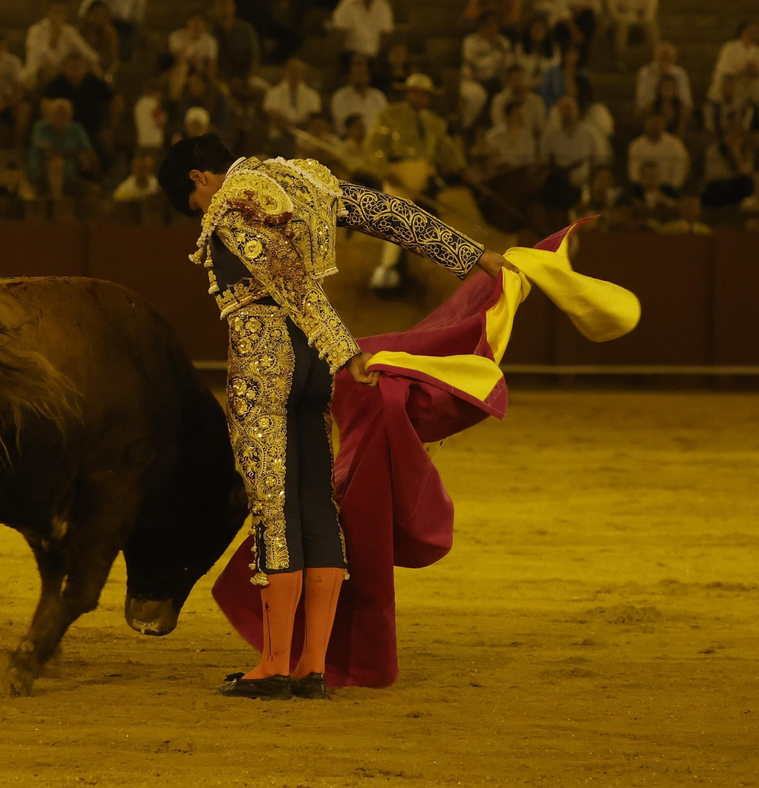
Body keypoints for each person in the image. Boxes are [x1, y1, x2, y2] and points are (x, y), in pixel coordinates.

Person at [155, 134, 507, 700]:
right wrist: (471, 254)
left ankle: (274, 663)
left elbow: (288, 279)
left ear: (199, 178)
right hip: (314, 368)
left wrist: (345, 347)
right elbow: (387, 213)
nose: (202, 213)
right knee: (316, 498)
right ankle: (311, 665)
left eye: (193, 204)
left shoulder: (231, 205)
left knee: (276, 504)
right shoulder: (304, 179)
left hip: (268, 360)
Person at [363, 73, 468, 289]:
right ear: (408, 94)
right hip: (398, 173)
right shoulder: (389, 115)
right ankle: (387, 268)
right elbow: (375, 146)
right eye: (415, 93)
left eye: (424, 95)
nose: (420, 98)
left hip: (426, 176)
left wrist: (461, 168)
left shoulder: (436, 122)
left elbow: (445, 150)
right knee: (396, 214)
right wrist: (384, 171)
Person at [43, 53, 119, 151]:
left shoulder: (95, 83)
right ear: (64, 68)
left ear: (85, 68)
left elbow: (114, 101)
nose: (74, 70)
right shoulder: (56, 85)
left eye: (78, 66)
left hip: (93, 133)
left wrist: (110, 127)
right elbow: (45, 106)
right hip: (64, 135)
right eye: (71, 66)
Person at [539, 95, 611, 187]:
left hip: (584, 179)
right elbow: (544, 159)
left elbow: (600, 160)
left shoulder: (590, 133)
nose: (567, 113)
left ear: (576, 110)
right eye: (563, 109)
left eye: (569, 108)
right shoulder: (551, 136)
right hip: (558, 180)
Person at [28, 99, 95, 196]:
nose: (60, 118)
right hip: (42, 173)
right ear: (50, 115)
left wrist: (83, 159)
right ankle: (57, 200)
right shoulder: (40, 128)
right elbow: (48, 152)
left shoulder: (76, 129)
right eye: (57, 114)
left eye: (64, 115)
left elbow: (87, 152)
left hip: (70, 175)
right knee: (56, 163)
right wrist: (74, 154)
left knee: (92, 190)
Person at [459, 12, 513, 132]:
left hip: (498, 82)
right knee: (477, 96)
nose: (491, 28)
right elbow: (475, 64)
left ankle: (501, 131)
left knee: (507, 96)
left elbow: (509, 64)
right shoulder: (470, 42)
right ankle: (465, 129)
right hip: (474, 80)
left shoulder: (503, 42)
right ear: (480, 26)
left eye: (494, 25)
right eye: (487, 25)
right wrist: (494, 60)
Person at [23, 3, 100, 87]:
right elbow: (42, 58)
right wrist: (54, 36)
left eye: (59, 13)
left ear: (65, 16)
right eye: (53, 12)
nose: (56, 16)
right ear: (47, 14)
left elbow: (88, 53)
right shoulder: (35, 31)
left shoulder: (69, 31)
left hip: (63, 75)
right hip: (38, 74)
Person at [708, 20, 759, 122]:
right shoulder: (730, 48)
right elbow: (724, 70)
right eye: (751, 31)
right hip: (732, 84)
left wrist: (751, 71)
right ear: (744, 32)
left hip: (750, 86)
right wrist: (743, 70)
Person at [208, 0, 262, 104]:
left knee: (264, 92)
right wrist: (227, 80)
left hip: (246, 77)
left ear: (233, 7)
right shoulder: (210, 33)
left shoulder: (246, 30)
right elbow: (212, 62)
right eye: (220, 5)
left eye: (227, 5)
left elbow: (254, 58)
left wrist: (247, 78)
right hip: (223, 78)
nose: (224, 9)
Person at [329, 0, 394, 65]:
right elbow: (339, 31)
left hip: (373, 56)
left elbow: (387, 33)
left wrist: (379, 53)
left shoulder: (383, 5)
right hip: (350, 54)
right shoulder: (347, 3)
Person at [604, 0, 659, 68]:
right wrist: (627, 16)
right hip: (621, 20)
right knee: (621, 27)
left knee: (651, 25)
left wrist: (638, 15)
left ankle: (653, 59)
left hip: (642, 19)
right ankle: (622, 60)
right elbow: (613, 10)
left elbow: (651, 9)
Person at [626, 110, 689, 189]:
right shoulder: (636, 145)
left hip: (668, 188)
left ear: (664, 124)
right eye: (652, 122)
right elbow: (634, 173)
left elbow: (680, 171)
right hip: (642, 189)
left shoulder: (676, 145)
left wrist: (672, 187)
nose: (655, 125)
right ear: (645, 124)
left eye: (658, 122)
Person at [701, 119, 756, 206]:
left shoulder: (745, 152)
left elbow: (746, 172)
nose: (734, 138)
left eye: (738, 135)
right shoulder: (714, 150)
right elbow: (715, 174)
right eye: (731, 135)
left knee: (746, 183)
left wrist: (736, 154)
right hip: (719, 186)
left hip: (735, 186)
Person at [262, 58, 322, 137]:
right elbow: (275, 117)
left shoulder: (313, 95)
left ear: (304, 74)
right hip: (280, 136)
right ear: (284, 72)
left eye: (299, 72)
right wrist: (291, 128)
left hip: (306, 138)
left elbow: (313, 118)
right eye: (292, 71)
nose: (295, 74)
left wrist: (299, 129)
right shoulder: (273, 93)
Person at [330, 54, 387, 135]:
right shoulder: (340, 97)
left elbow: (384, 122)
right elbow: (340, 126)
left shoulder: (379, 96)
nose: (360, 76)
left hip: (375, 142)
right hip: (349, 141)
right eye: (357, 72)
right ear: (350, 75)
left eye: (363, 73)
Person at [487, 64, 547, 140]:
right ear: (508, 81)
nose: (519, 82)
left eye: (521, 78)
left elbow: (541, 125)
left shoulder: (536, 101)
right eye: (515, 79)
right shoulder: (499, 100)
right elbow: (498, 124)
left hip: (531, 141)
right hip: (507, 140)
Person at [476, 100, 538, 174]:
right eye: (517, 114)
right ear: (507, 116)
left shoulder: (527, 137)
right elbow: (488, 158)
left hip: (521, 175)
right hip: (499, 175)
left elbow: (531, 160)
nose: (521, 118)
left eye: (522, 115)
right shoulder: (493, 135)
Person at [635, 41, 692, 118]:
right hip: (652, 112)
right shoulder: (646, 73)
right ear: (655, 56)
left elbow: (685, 100)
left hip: (675, 113)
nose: (665, 60)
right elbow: (643, 101)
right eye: (662, 57)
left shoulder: (680, 74)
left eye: (668, 57)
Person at [78, 0, 121, 76]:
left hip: (102, 71)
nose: (99, 18)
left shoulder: (110, 33)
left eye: (103, 15)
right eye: (96, 14)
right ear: (88, 15)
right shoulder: (80, 31)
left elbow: (113, 60)